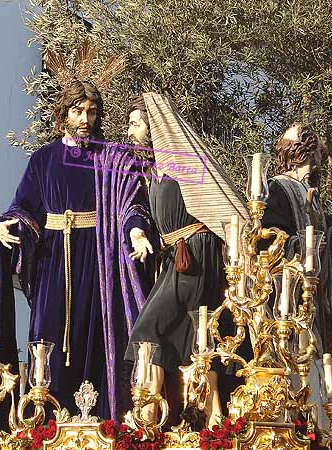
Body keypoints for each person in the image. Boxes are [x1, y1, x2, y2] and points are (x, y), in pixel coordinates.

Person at [0, 54, 155, 428]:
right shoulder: (43, 159)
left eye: (92, 112)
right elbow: (24, 205)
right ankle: (45, 424)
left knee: (91, 338)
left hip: (95, 259)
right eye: (78, 111)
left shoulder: (110, 158)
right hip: (51, 263)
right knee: (46, 335)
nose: (85, 120)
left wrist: (136, 230)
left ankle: (98, 424)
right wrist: (6, 225)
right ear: (64, 113)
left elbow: (131, 199)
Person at [123, 93, 248, 427]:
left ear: (155, 126)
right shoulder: (155, 169)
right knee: (197, 333)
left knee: (149, 327)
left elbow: (221, 200)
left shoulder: (182, 160)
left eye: (136, 123)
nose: (131, 130)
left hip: (195, 254)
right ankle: (214, 416)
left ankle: (146, 413)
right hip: (175, 258)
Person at [262, 123, 332, 406]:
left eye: (314, 160)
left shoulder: (312, 197)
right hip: (290, 301)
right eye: (308, 160)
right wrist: (304, 246)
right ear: (294, 157)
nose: (313, 168)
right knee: (296, 365)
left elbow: (324, 239)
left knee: (318, 365)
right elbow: (270, 241)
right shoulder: (277, 190)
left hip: (318, 303)